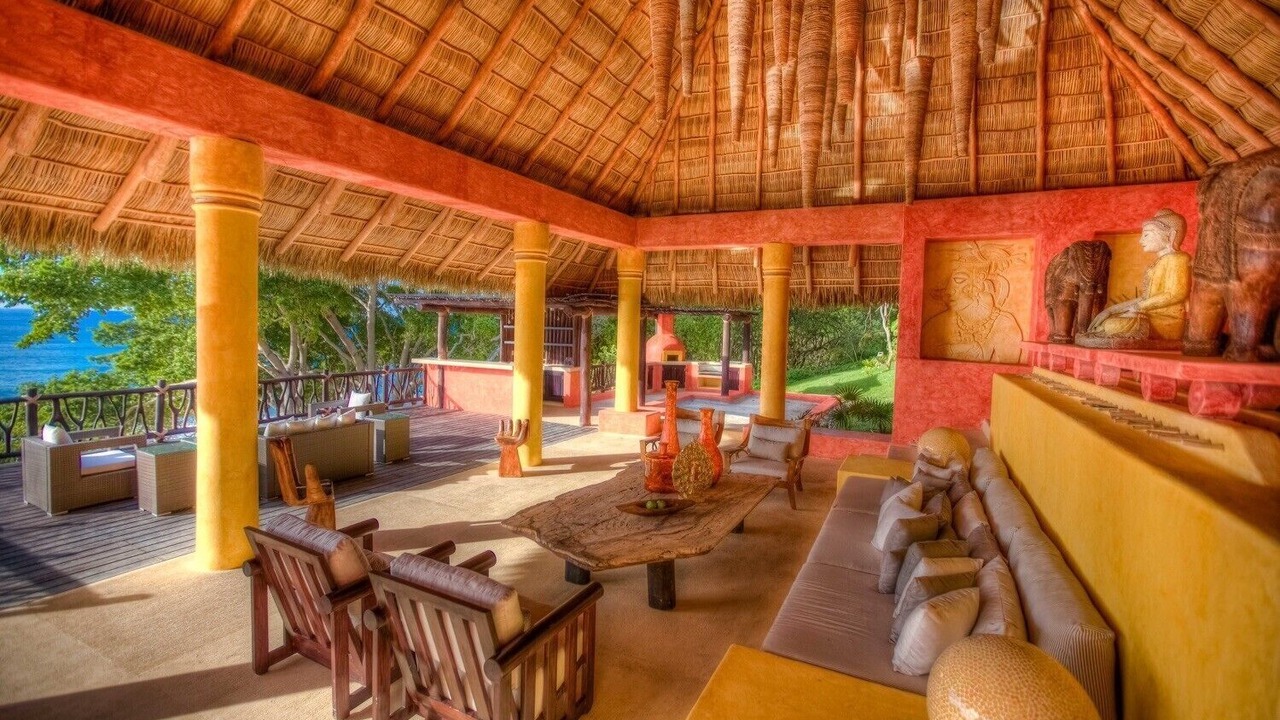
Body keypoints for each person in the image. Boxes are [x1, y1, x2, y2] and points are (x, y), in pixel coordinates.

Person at [1085, 209, 1191, 341]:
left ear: (1170, 235)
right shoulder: (1159, 262)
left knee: (1112, 325)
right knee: (1107, 321)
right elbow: (1145, 298)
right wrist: (1111, 310)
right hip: (1148, 316)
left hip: (1166, 321)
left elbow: (1175, 294)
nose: (1141, 240)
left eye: (1146, 235)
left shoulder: (1178, 259)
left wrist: (1137, 308)